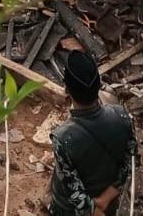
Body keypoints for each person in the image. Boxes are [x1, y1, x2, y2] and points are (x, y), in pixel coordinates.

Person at [49, 49, 136, 216]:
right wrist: (105, 198)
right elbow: (130, 162)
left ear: (66, 90)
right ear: (99, 85)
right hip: (109, 201)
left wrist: (94, 210)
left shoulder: (63, 138)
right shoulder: (122, 115)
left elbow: (73, 189)